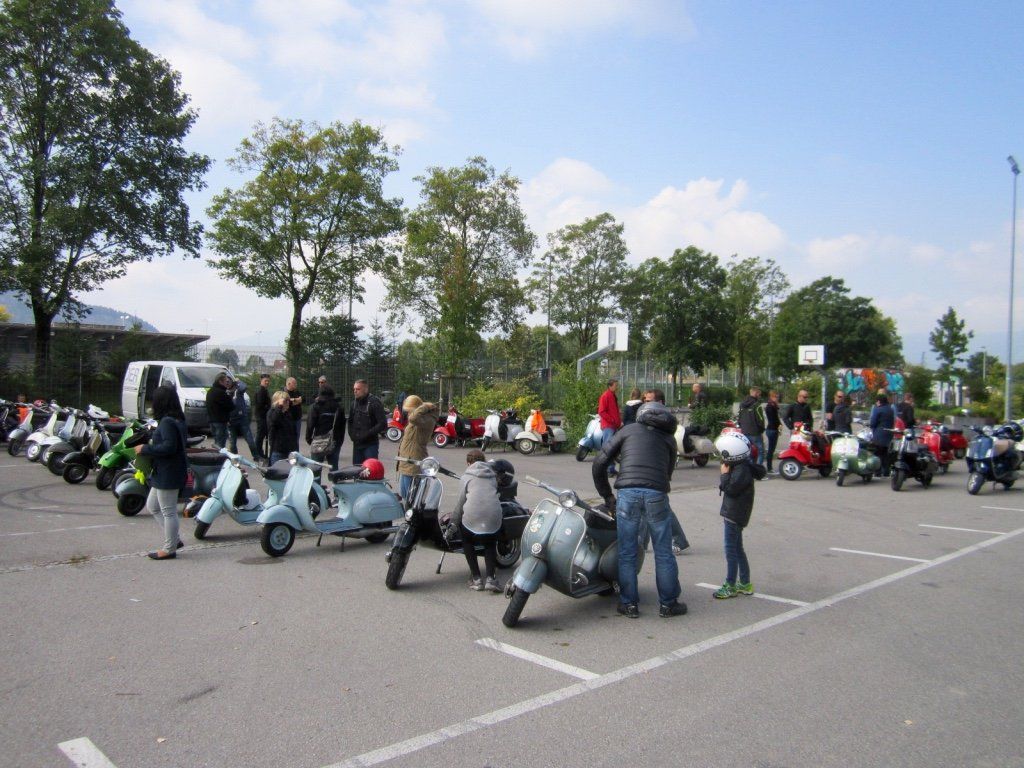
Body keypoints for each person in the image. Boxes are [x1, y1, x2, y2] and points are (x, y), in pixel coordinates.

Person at [593, 399, 686, 619]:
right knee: (663, 552)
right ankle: (668, 604)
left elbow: (599, 463)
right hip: (656, 493)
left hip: (627, 493)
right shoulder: (669, 439)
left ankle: (629, 604)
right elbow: (668, 473)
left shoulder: (627, 430)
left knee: (627, 551)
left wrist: (607, 496)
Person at [135, 385, 187, 560]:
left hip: (168, 472)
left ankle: (170, 548)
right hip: (166, 471)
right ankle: (174, 540)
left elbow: (169, 447)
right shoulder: (177, 419)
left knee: (168, 511)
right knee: (153, 506)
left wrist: (145, 448)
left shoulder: (167, 422)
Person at [712, 432, 765, 598]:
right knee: (737, 548)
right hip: (737, 512)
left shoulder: (741, 470)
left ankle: (730, 584)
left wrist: (724, 474)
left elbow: (730, 488)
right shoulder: (743, 466)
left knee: (731, 550)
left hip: (734, 514)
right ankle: (745, 582)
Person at [449, 448, 504, 592]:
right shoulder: (492, 476)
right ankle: (491, 579)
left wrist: (453, 522)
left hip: (472, 517)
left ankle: (476, 579)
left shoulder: (466, 477)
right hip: (493, 516)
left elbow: (461, 503)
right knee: (490, 543)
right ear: (484, 461)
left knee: (467, 541)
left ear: (468, 463)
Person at [642, 388, 689, 554]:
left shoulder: (664, 421)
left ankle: (678, 540)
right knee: (645, 506)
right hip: (646, 466)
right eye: (645, 400)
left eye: (649, 400)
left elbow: (668, 447)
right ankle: (642, 542)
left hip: (656, 468)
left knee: (660, 507)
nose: (645, 403)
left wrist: (666, 474)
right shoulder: (647, 417)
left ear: (660, 403)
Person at [396, 394, 439, 501]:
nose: (408, 413)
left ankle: (412, 512)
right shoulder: (420, 419)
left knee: (412, 497)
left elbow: (413, 418)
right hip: (406, 461)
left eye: (410, 410)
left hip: (414, 461)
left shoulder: (427, 420)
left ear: (416, 409)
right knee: (405, 495)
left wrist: (425, 406)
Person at [305, 385, 346, 478]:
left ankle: (317, 487)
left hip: (318, 440)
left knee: (316, 469)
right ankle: (336, 486)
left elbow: (310, 424)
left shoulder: (315, 406)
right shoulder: (338, 407)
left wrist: (309, 439)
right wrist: (340, 441)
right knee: (334, 467)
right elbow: (342, 426)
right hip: (334, 440)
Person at [348, 379, 387, 463]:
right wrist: (351, 434)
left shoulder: (374, 402)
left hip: (370, 445)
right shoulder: (354, 404)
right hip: (357, 444)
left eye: (358, 389)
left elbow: (382, 423)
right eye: (354, 389)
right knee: (357, 469)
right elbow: (350, 421)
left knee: (370, 469)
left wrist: (367, 434)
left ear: (365, 389)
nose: (355, 391)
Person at [228, 380, 262, 460]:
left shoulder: (238, 390)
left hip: (242, 419)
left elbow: (244, 387)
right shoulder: (225, 392)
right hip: (231, 420)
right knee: (232, 443)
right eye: (226, 382)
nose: (227, 383)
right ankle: (235, 459)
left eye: (229, 381)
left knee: (250, 440)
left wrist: (238, 381)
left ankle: (256, 457)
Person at [598, 379, 622, 475]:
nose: (617, 387)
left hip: (613, 426)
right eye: (615, 385)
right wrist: (612, 420)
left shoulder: (612, 395)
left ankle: (610, 469)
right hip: (609, 426)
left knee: (612, 448)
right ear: (610, 386)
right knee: (608, 448)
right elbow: (601, 411)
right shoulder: (606, 396)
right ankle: (607, 469)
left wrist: (618, 421)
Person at [267, 390, 298, 465]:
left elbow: (293, 432)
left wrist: (295, 449)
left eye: (288, 401)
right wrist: (280, 406)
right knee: (278, 471)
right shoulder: (271, 412)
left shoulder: (287, 414)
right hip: (278, 451)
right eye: (285, 401)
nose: (287, 403)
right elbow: (274, 421)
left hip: (290, 451)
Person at [737, 387, 765, 466]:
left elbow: (739, 418)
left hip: (744, 432)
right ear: (756, 393)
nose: (759, 396)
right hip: (755, 432)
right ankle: (758, 470)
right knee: (761, 451)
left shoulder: (742, 404)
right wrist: (761, 430)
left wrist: (742, 428)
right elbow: (760, 420)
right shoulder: (757, 405)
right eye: (759, 394)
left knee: (748, 452)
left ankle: (750, 469)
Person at [205, 372, 234, 449]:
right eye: (226, 381)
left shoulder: (210, 391)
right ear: (220, 381)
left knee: (217, 442)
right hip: (220, 421)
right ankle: (219, 456)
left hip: (212, 420)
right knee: (220, 444)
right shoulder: (221, 393)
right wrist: (230, 396)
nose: (228, 383)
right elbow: (231, 406)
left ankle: (215, 455)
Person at [870, 393, 896, 477]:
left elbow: (873, 422)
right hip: (889, 433)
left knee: (877, 453)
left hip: (879, 434)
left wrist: (872, 427)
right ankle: (886, 472)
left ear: (879, 401)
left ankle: (877, 472)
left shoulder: (878, 409)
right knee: (885, 453)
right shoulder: (890, 409)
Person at [253, 374, 271, 462]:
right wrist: (268, 407)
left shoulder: (263, 390)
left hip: (261, 416)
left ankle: (259, 453)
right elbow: (260, 404)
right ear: (261, 381)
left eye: (268, 381)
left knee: (261, 435)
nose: (267, 382)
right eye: (265, 381)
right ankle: (258, 454)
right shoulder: (261, 391)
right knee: (260, 436)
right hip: (261, 416)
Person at [763, 390, 781, 474]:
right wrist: (779, 425)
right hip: (772, 429)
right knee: (771, 450)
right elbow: (774, 419)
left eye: (777, 397)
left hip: (773, 429)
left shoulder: (773, 406)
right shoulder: (770, 406)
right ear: (771, 397)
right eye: (775, 397)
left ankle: (769, 468)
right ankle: (769, 468)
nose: (777, 398)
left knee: (771, 450)